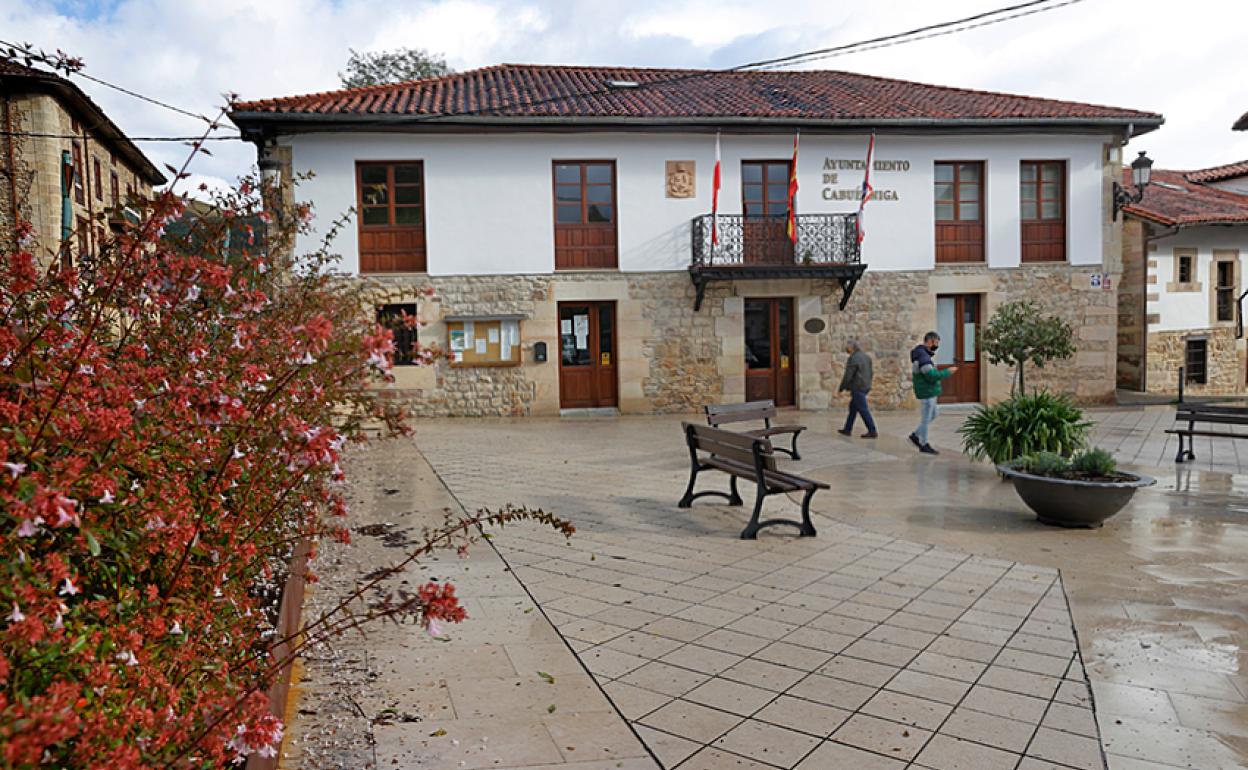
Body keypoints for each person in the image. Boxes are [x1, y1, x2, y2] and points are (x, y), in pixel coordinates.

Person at [910, 331, 956, 455]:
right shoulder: (923, 358)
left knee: (934, 414)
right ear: (930, 341)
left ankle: (915, 435)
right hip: (927, 393)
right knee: (926, 419)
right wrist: (948, 372)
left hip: (929, 392)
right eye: (936, 343)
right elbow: (931, 375)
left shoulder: (922, 354)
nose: (936, 345)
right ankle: (923, 444)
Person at [837, 339, 877, 438]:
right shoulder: (866, 357)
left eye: (848, 346)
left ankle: (872, 430)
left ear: (852, 347)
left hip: (857, 387)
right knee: (853, 408)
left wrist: (842, 387)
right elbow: (871, 372)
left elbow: (848, 375)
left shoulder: (853, 358)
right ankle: (847, 429)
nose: (846, 348)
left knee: (863, 409)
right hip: (865, 386)